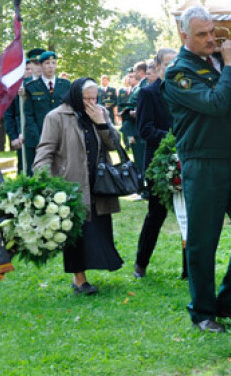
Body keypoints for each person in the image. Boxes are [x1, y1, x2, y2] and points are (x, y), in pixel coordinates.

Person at [162, 6, 231, 333]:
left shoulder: (221, 62)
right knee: (203, 241)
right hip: (203, 163)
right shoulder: (178, 72)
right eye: (202, 34)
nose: (211, 39)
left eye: (212, 32)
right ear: (183, 36)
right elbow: (215, 103)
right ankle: (203, 312)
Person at [33, 78, 123, 294]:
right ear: (75, 96)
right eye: (87, 98)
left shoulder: (100, 112)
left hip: (98, 182)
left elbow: (114, 144)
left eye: (94, 97)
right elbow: (44, 151)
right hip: (70, 182)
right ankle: (79, 279)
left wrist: (101, 122)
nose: (91, 102)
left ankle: (91, 270)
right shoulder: (56, 117)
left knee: (97, 229)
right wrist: (46, 182)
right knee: (76, 233)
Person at [133, 48, 179, 279]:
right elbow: (145, 130)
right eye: (168, 64)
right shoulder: (148, 93)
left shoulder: (185, 90)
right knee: (156, 214)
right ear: (158, 67)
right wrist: (173, 139)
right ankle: (141, 263)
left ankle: (190, 268)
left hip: (187, 160)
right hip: (159, 163)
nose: (173, 68)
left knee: (188, 216)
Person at [23, 51, 71, 175]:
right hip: (38, 136)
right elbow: (29, 116)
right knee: (37, 173)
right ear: (41, 66)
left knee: (61, 172)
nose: (50, 66)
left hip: (61, 137)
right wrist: (39, 138)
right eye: (47, 63)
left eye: (53, 63)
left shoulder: (65, 85)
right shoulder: (31, 87)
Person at [3, 48, 44, 175]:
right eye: (35, 63)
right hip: (25, 137)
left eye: (41, 62)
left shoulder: (51, 86)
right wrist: (14, 136)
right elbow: (9, 114)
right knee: (26, 172)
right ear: (29, 65)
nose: (39, 66)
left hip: (47, 134)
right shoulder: (20, 86)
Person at [121, 61, 147, 196]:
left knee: (141, 160)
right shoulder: (139, 87)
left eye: (135, 72)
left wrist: (130, 111)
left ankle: (143, 189)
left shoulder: (143, 87)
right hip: (132, 128)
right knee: (137, 159)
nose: (133, 75)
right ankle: (140, 188)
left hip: (137, 129)